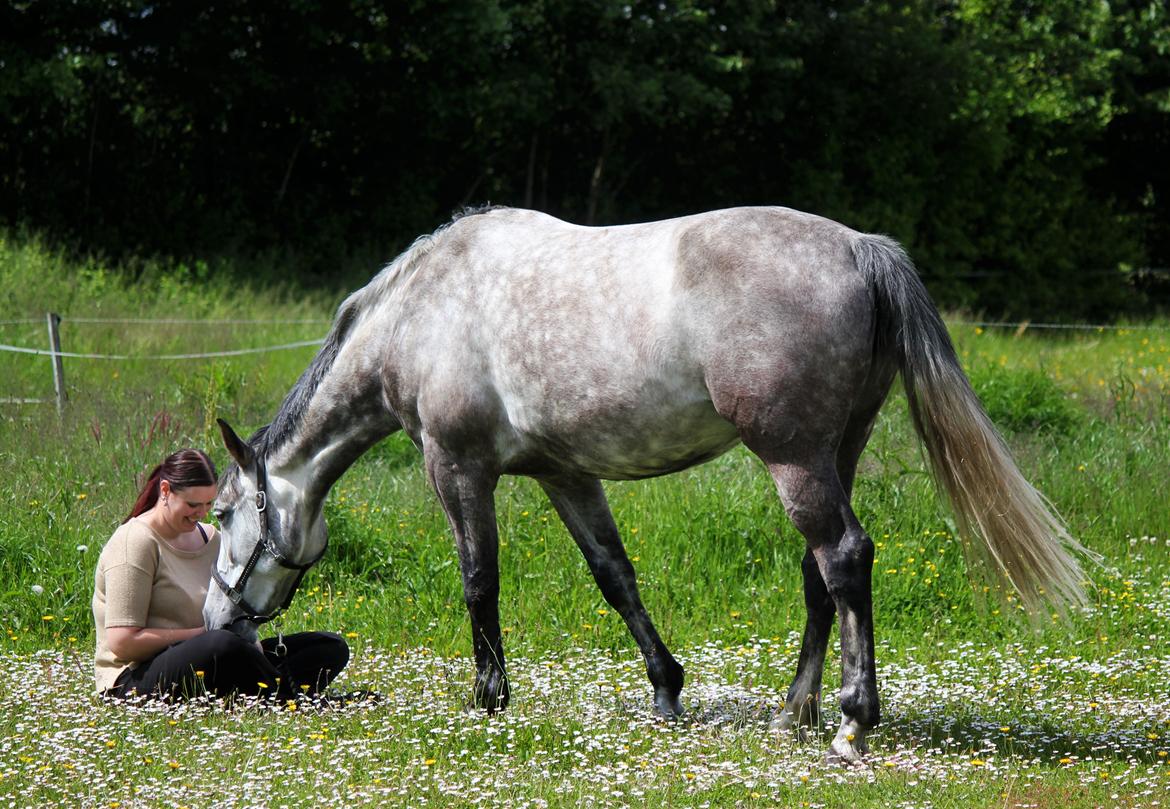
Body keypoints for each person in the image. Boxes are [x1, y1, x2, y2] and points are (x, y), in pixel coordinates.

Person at [92, 448, 350, 701]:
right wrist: (201, 635)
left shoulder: (211, 538)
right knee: (221, 645)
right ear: (166, 491)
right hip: (134, 678)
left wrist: (252, 646)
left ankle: (265, 691)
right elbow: (123, 643)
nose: (201, 513)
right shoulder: (134, 542)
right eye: (192, 504)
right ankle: (288, 699)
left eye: (208, 504)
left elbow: (229, 616)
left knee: (329, 647)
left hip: (211, 656)